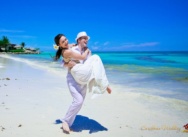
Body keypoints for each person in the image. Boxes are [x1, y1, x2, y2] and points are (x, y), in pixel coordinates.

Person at [54, 32, 111, 133]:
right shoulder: (72, 50)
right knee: (78, 101)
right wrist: (66, 64)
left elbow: (91, 67)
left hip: (82, 80)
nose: (66, 41)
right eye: (83, 38)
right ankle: (66, 122)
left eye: (66, 39)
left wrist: (85, 51)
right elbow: (65, 61)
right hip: (72, 79)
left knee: (79, 103)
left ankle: (67, 122)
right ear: (79, 39)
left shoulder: (78, 48)